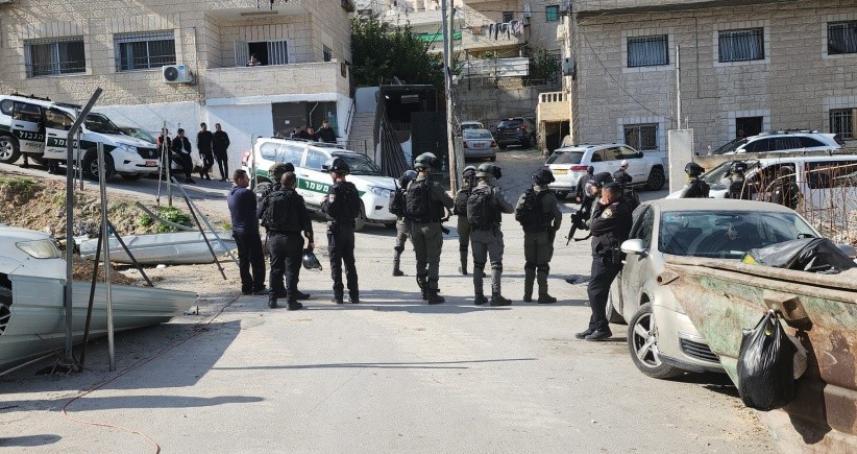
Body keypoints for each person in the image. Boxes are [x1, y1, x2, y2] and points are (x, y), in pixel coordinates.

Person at [576, 182, 633, 341]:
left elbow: (594, 227)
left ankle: (602, 328)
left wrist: (599, 205)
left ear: (611, 195)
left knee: (594, 291)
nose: (602, 197)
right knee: (598, 292)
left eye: (604, 195)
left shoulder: (614, 209)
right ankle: (594, 326)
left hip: (607, 256)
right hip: (604, 254)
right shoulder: (617, 206)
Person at [259, 172, 314, 310]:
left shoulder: (271, 197)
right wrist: (310, 239)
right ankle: (291, 301)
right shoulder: (297, 198)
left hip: (275, 238)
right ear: (293, 183)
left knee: (275, 270)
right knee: (291, 271)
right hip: (293, 239)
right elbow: (306, 221)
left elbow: (259, 214)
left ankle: (272, 300)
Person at [404, 152, 454, 304]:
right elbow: (450, 203)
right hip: (431, 227)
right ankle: (432, 292)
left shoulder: (410, 184)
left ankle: (423, 289)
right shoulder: (434, 186)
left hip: (414, 227)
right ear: (428, 168)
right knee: (433, 260)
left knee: (420, 259)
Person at [467, 163, 515, 306]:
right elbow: (510, 209)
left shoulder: (472, 191)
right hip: (492, 233)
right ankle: (496, 296)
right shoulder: (494, 191)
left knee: (478, 265)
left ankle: (478, 296)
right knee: (496, 265)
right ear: (489, 176)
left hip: (475, 233)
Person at [516, 168, 562, 304]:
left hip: (528, 235)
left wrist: (527, 224)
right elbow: (558, 216)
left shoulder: (525, 195)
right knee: (542, 265)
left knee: (530, 264)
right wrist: (555, 228)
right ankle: (543, 295)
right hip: (544, 234)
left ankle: (527, 295)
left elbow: (517, 214)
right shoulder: (550, 197)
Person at [320, 157, 362, 304]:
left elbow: (330, 209)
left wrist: (324, 202)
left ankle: (338, 296)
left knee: (335, 263)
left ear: (335, 173)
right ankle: (354, 295)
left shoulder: (334, 189)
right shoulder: (353, 188)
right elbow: (357, 209)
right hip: (349, 229)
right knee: (350, 262)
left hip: (336, 230)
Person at [227, 169, 266, 296]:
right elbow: (257, 211)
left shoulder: (230, 193)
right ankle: (258, 286)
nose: (248, 180)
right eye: (246, 178)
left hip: (237, 231)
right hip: (249, 231)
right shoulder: (246, 193)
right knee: (257, 259)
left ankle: (246, 286)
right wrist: (264, 200)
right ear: (239, 179)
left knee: (243, 259)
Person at [392, 169, 417, 277]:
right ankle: (422, 270)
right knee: (419, 247)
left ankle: (395, 268)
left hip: (399, 222)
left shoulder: (399, 192)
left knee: (399, 246)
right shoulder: (410, 193)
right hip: (409, 223)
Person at [453, 166, 477, 275]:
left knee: (463, 245)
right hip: (476, 220)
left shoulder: (460, 192)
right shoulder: (479, 191)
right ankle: (479, 269)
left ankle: (464, 268)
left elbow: (455, 208)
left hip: (462, 220)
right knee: (477, 245)